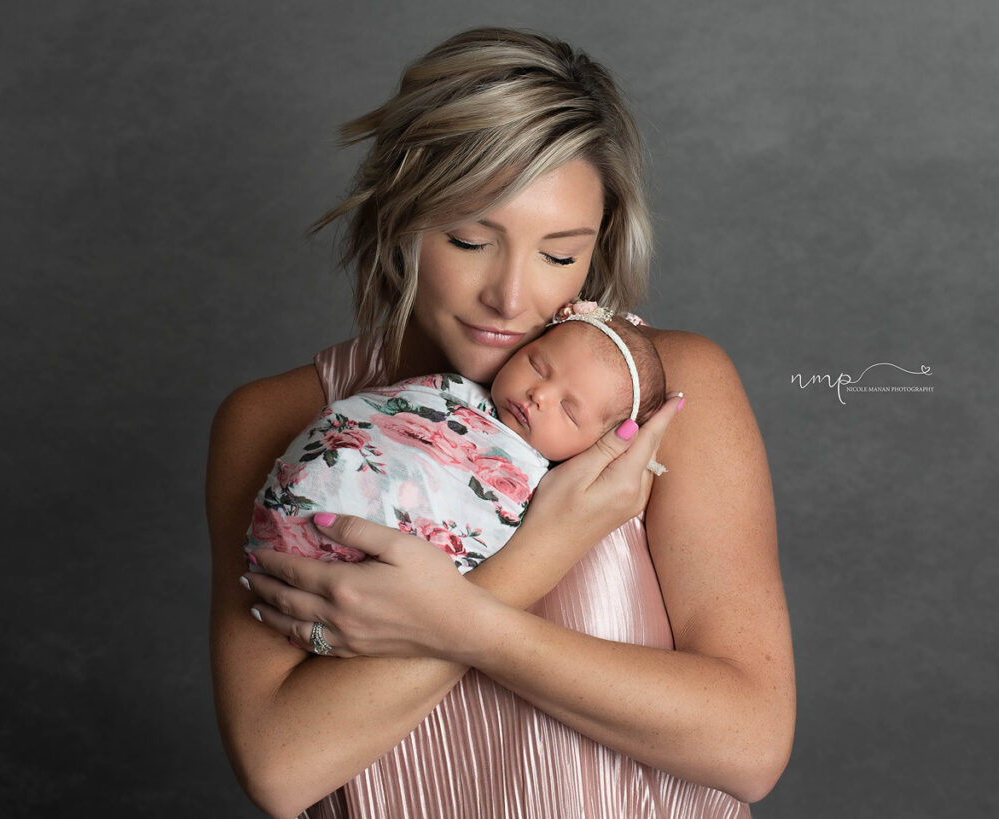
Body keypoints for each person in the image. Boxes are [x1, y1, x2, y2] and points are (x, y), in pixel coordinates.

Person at [207, 27, 795, 819]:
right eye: (471, 238)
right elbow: (281, 765)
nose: (512, 299)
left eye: (560, 253)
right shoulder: (277, 420)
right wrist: (538, 553)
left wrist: (464, 623)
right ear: (399, 214)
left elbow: (750, 745)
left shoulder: (665, 396)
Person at [246, 308, 667, 584]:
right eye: (537, 366)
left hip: (371, 582)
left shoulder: (548, 490)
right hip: (306, 500)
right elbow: (375, 413)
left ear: (600, 444)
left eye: (569, 411)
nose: (540, 394)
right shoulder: (452, 389)